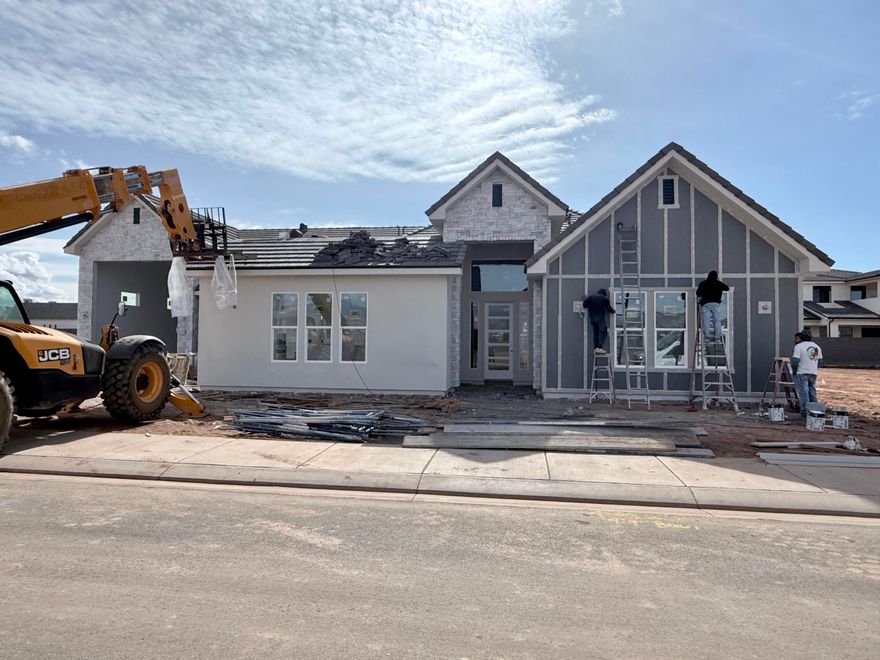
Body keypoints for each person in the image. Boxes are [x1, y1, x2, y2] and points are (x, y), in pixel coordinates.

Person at [792, 329, 823, 419]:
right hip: (813, 373)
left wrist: (794, 370)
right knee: (812, 393)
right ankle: (815, 413)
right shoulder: (817, 347)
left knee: (804, 394)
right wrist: (814, 368)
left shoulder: (799, 346)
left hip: (802, 373)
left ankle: (805, 415)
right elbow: (820, 361)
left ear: (801, 337)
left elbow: (795, 361)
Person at [696, 270, 729, 340]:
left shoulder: (703, 283)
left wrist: (699, 299)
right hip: (715, 304)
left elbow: (698, 293)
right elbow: (727, 288)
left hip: (705, 304)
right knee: (717, 320)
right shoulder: (718, 283)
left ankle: (707, 336)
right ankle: (717, 336)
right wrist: (718, 283)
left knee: (706, 320)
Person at [583, 288, 615, 352]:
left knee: (596, 333)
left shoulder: (591, 297)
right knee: (604, 331)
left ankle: (596, 348)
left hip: (592, 318)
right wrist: (614, 311)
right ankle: (600, 347)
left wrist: (586, 300)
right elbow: (609, 308)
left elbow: (584, 305)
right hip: (600, 318)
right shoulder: (604, 298)